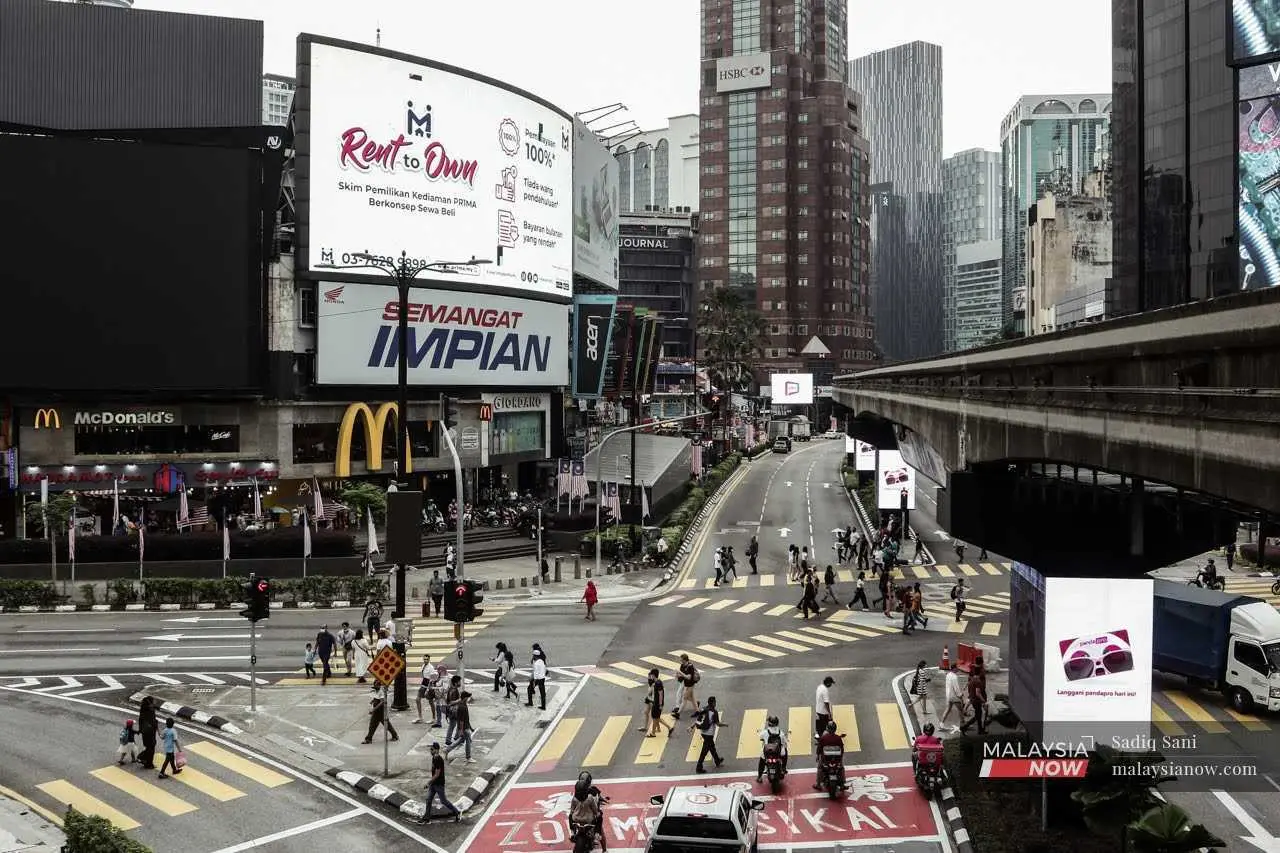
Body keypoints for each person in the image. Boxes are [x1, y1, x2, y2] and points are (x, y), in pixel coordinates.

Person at [418, 742, 461, 824]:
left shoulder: (438, 759)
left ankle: (457, 812)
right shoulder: (434, 757)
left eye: (432, 749)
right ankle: (426, 818)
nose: (430, 751)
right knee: (428, 799)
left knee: (443, 801)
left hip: (439, 784)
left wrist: (428, 782)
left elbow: (437, 774)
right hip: (434, 784)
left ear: (437, 750)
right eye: (430, 749)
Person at [569, 771, 607, 851]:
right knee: (600, 822)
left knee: (570, 816)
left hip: (576, 819)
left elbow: (572, 809)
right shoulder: (592, 794)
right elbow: (595, 809)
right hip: (589, 819)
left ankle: (572, 832)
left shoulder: (575, 797)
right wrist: (597, 813)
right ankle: (603, 847)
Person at [691, 696, 727, 773]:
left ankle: (717, 760)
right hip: (709, 733)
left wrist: (692, 726)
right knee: (704, 751)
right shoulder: (714, 712)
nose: (715, 703)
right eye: (715, 702)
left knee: (711, 747)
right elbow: (718, 724)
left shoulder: (703, 709)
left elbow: (698, 719)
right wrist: (725, 724)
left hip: (703, 732)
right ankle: (699, 767)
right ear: (713, 703)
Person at [443, 691, 475, 763]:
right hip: (464, 728)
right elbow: (461, 720)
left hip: (465, 727)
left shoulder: (463, 704)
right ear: (465, 698)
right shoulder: (462, 707)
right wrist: (461, 730)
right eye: (467, 697)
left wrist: (470, 727)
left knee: (461, 740)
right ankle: (468, 757)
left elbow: (466, 718)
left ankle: (447, 750)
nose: (468, 699)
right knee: (468, 741)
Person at [756, 714, 789, 782]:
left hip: (767, 753)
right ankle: (783, 768)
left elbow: (760, 737)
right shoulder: (781, 733)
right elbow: (785, 743)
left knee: (762, 761)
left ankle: (759, 777)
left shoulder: (765, 732)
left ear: (769, 723)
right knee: (785, 751)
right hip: (778, 753)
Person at [813, 721, 845, 790]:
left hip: (825, 760)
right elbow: (842, 749)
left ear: (827, 728)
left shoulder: (823, 738)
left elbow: (819, 748)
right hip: (836, 759)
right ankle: (842, 784)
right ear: (835, 729)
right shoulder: (838, 738)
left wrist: (817, 756)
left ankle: (818, 784)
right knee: (841, 768)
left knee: (820, 768)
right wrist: (841, 758)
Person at [642, 669, 673, 737]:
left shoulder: (658, 683)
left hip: (657, 704)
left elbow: (661, 694)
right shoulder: (657, 682)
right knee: (656, 718)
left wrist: (660, 704)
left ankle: (654, 733)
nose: (651, 677)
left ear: (653, 675)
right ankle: (668, 728)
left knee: (655, 718)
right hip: (656, 703)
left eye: (651, 675)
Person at [671, 654, 700, 720]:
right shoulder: (682, 665)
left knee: (684, 699)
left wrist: (680, 673)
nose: (680, 661)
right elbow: (682, 675)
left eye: (681, 660)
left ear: (685, 660)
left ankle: (678, 713)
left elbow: (688, 677)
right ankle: (697, 711)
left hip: (690, 685)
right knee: (692, 698)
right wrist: (677, 675)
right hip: (686, 684)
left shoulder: (690, 666)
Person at [941, 664, 966, 732]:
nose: (958, 669)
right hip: (954, 696)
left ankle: (941, 724)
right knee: (960, 710)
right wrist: (960, 695)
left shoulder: (948, 675)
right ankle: (963, 725)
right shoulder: (954, 677)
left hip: (949, 695)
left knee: (948, 709)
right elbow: (956, 688)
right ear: (954, 668)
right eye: (957, 668)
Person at [137, 697, 158, 769]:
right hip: (150, 732)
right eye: (153, 701)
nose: (154, 702)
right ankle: (144, 759)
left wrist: (140, 729)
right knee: (151, 748)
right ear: (150, 703)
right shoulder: (150, 711)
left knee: (149, 747)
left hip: (145, 732)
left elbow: (140, 721)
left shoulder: (143, 710)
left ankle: (146, 761)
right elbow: (153, 721)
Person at [414, 654, 435, 724]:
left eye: (427, 659)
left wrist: (428, 689)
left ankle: (433, 718)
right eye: (424, 659)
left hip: (428, 686)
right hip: (423, 684)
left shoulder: (431, 667)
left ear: (429, 659)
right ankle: (420, 717)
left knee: (431, 701)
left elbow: (432, 679)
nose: (425, 660)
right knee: (417, 699)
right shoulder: (423, 666)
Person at [814, 676, 835, 740]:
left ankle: (819, 735)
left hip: (818, 709)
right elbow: (826, 703)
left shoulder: (819, 687)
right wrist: (829, 713)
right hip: (823, 712)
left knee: (820, 724)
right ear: (828, 683)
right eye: (831, 683)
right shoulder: (825, 690)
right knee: (827, 725)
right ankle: (825, 739)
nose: (831, 685)